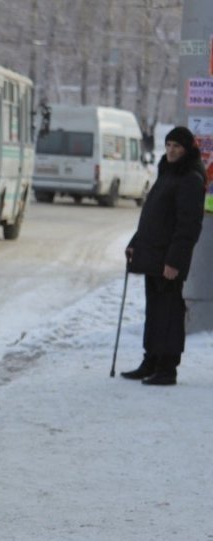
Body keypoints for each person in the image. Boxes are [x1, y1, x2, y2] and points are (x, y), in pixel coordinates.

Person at [122, 126, 207, 386]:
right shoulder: (167, 173)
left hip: (168, 260)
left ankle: (167, 367)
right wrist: (135, 242)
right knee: (155, 310)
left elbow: (188, 227)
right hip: (152, 255)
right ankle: (151, 360)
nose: (171, 150)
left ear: (187, 150)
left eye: (177, 146)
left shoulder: (191, 179)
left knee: (169, 312)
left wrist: (174, 262)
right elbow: (151, 216)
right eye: (168, 145)